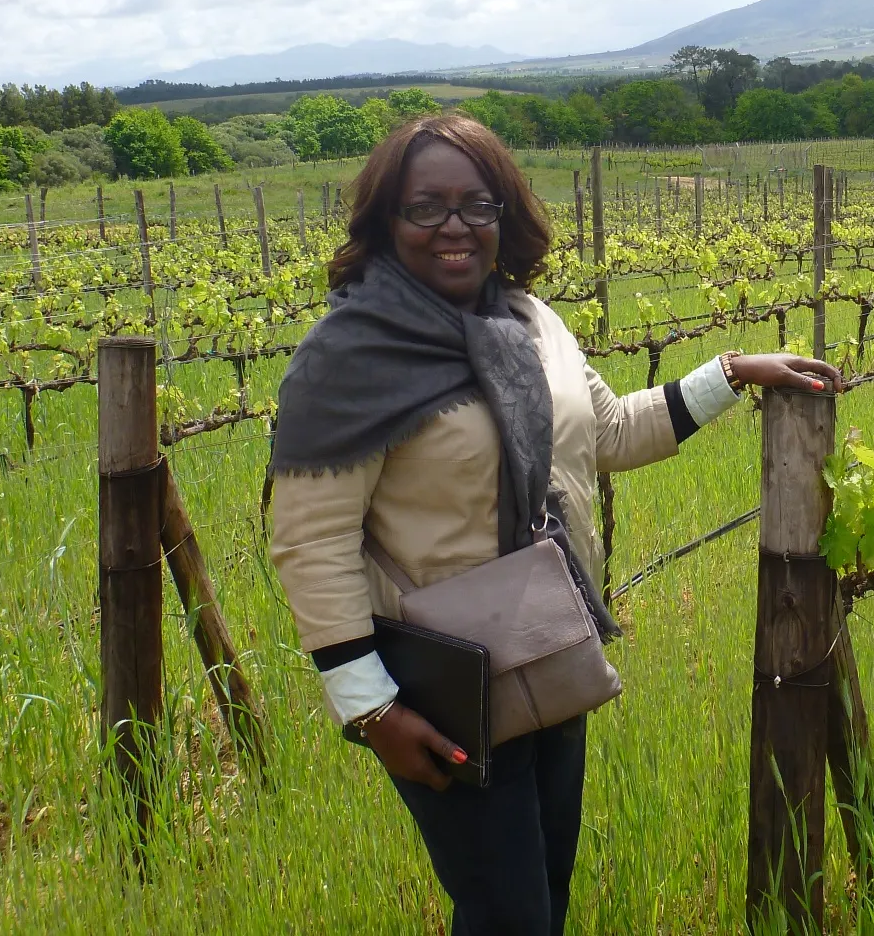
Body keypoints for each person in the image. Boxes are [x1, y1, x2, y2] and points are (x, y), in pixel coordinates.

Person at [269, 114, 839, 936]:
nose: (454, 226)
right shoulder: (346, 357)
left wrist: (731, 373)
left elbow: (608, 434)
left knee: (547, 889)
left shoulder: (533, 322)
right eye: (426, 206)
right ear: (385, 220)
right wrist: (373, 712)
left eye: (478, 204)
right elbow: (310, 544)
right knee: (509, 914)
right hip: (446, 684)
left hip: (547, 643)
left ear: (506, 215)